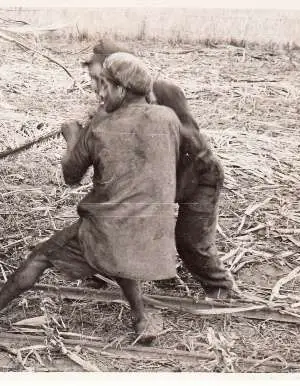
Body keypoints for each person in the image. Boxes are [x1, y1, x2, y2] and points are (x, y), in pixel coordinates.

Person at [0, 53, 181, 343]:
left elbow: (71, 176)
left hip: (107, 229)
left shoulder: (100, 128)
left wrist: (74, 137)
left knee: (41, 256)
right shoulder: (167, 118)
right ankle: (141, 319)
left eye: (105, 86)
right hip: (149, 231)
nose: (100, 93)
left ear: (121, 90)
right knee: (118, 255)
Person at [81, 39, 236, 299]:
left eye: (102, 81)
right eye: (96, 81)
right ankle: (102, 273)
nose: (98, 89)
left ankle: (221, 289)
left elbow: (189, 137)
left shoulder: (162, 91)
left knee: (190, 242)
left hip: (197, 177)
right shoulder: (114, 102)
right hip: (159, 180)